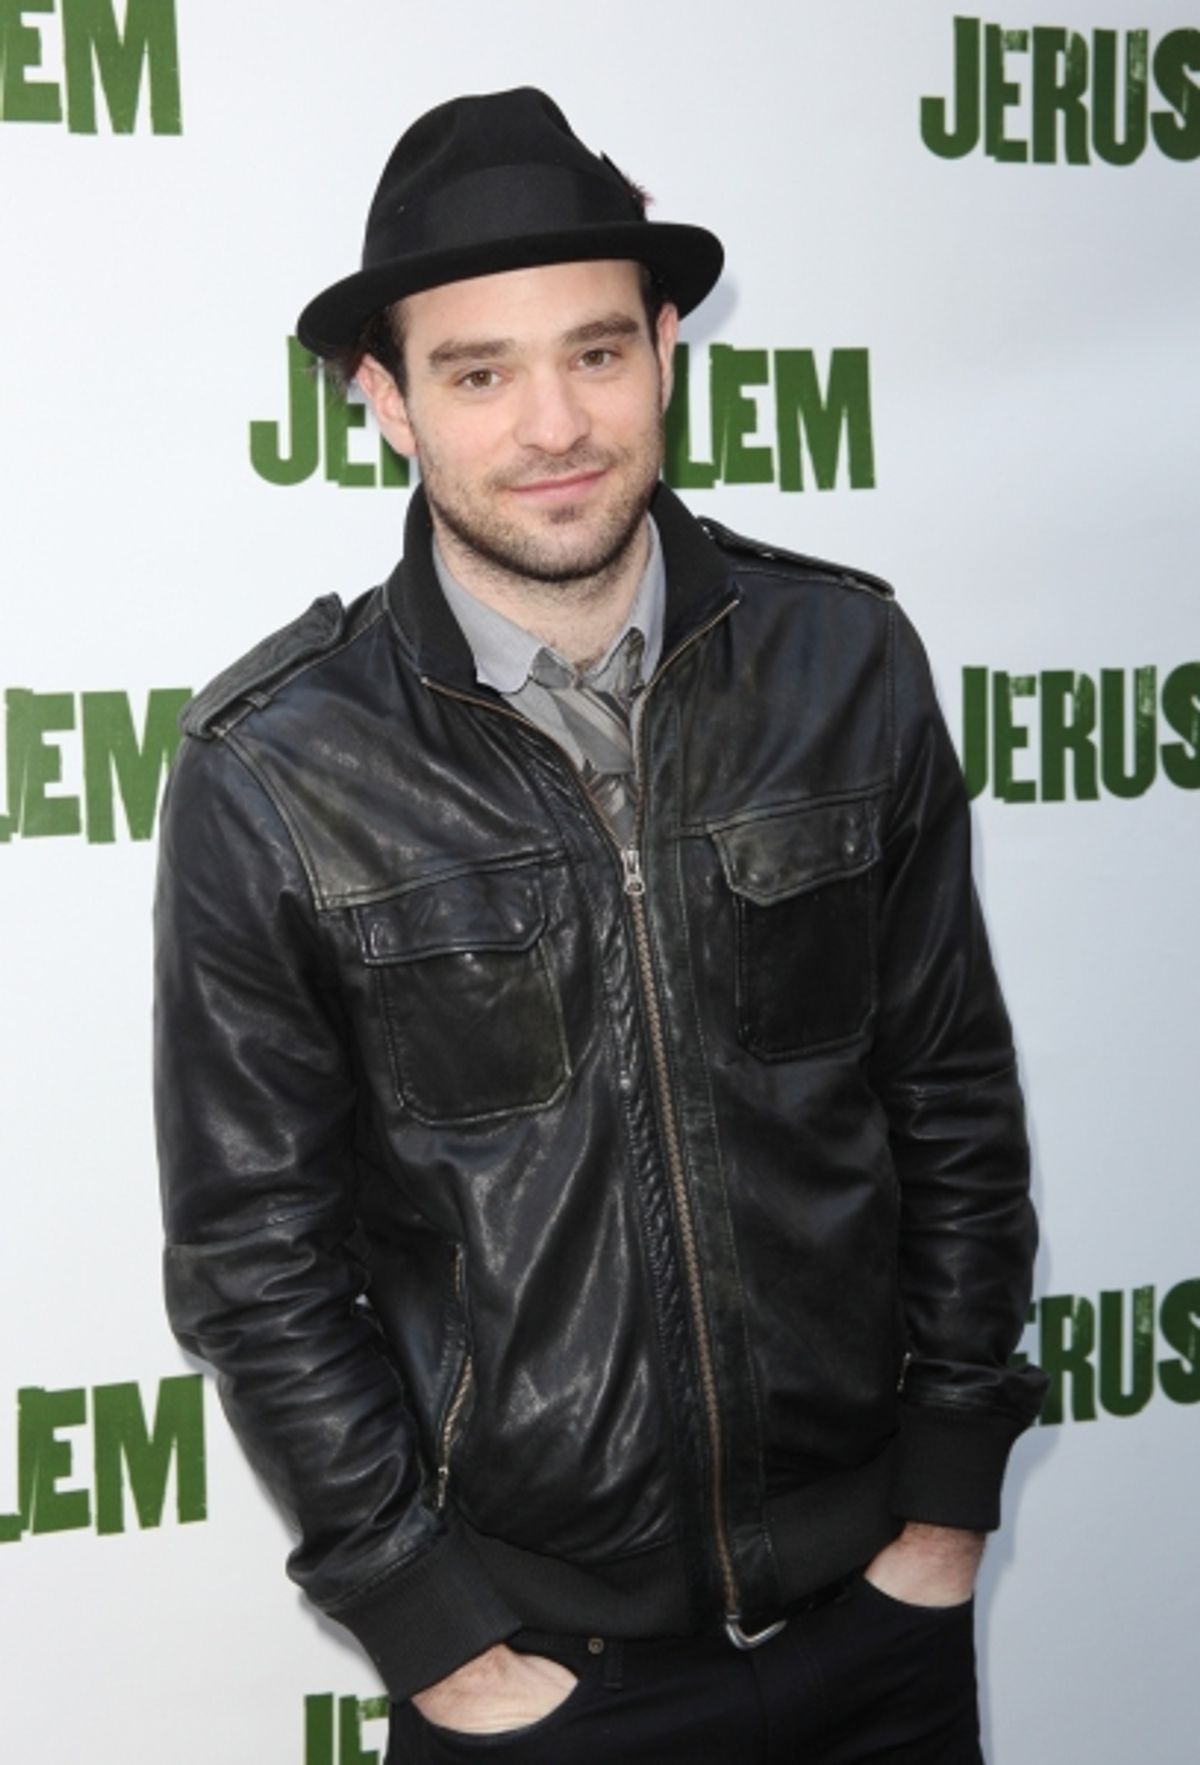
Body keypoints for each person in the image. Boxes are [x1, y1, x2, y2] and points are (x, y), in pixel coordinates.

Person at [155, 87, 1047, 1763]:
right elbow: (252, 1262)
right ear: (388, 402)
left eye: (597, 352)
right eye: (478, 371)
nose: (552, 421)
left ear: (667, 348)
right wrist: (439, 1635)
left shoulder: (850, 664)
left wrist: (941, 1515)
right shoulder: (276, 769)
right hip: (541, 1681)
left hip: (879, 1629)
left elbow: (951, 1097)